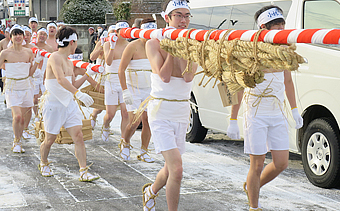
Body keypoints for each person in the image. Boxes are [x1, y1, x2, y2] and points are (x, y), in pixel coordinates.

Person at [226, 5, 304, 211]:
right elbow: (238, 87)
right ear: (263, 27)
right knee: (257, 164)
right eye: (274, 25)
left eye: (281, 23)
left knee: (281, 163)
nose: (280, 28)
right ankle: (254, 205)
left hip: (277, 112)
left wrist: (294, 110)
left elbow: (288, 82)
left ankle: (252, 187)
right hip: (256, 113)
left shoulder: (285, 49)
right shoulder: (250, 51)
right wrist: (233, 119)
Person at [142, 1, 197, 210]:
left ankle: (151, 191)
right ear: (167, 18)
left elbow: (188, 76)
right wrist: (171, 49)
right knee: (177, 169)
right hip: (160, 111)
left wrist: (182, 48)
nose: (183, 21)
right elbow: (164, 76)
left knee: (170, 167)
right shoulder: (153, 43)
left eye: (186, 16)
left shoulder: (193, 44)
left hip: (181, 111)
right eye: (178, 16)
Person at [39, 26, 100, 181]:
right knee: (50, 139)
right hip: (54, 103)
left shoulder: (69, 62)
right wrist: (77, 94)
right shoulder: (55, 57)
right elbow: (60, 79)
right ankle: (44, 162)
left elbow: (73, 84)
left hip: (69, 104)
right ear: (72, 42)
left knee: (78, 136)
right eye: (76, 42)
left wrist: (88, 74)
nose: (76, 45)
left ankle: (83, 170)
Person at [118, 18, 157, 162]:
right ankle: (125, 142)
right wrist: (125, 90)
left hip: (150, 89)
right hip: (133, 89)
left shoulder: (157, 46)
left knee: (149, 121)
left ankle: (144, 151)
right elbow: (121, 70)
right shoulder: (132, 46)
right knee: (134, 122)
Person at [0, 25, 40, 153]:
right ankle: (16, 141)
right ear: (11, 37)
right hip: (12, 87)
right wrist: (10, 71)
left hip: (26, 86)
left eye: (20, 34)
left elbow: (30, 72)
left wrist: (38, 62)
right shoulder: (5, 53)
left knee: (22, 118)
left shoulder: (28, 52)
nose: (18, 37)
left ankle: (19, 138)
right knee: (17, 116)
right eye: (15, 34)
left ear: (23, 37)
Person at [101, 21, 129, 142]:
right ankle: (106, 125)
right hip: (111, 81)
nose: (123, 33)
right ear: (116, 32)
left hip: (125, 81)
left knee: (126, 113)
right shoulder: (108, 44)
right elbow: (108, 62)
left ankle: (124, 140)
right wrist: (112, 46)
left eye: (125, 31)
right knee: (110, 114)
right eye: (121, 31)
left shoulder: (130, 45)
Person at [33, 27, 53, 122]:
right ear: (37, 35)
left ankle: (43, 114)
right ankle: (36, 115)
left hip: (45, 75)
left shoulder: (49, 48)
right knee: (35, 98)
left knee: (45, 97)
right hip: (34, 75)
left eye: (44, 34)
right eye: (40, 34)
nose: (42, 36)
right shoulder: (32, 46)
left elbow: (51, 63)